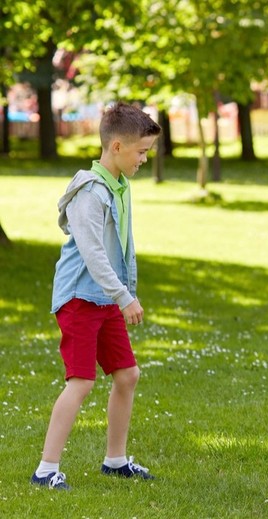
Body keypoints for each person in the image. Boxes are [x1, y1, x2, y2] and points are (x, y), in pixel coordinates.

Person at [32, 103, 162, 490]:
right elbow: (93, 252)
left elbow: (123, 245)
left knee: (127, 375)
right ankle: (45, 470)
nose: (144, 159)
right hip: (79, 299)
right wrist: (124, 297)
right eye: (141, 152)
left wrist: (124, 292)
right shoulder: (91, 191)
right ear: (117, 146)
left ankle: (115, 461)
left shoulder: (120, 186)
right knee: (82, 381)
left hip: (103, 298)